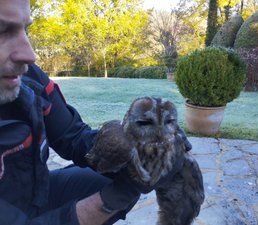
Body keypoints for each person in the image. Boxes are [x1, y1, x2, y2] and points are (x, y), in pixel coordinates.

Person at [0, 0, 186, 224]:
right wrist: (111, 201)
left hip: (34, 193)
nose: (29, 55)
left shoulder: (30, 80)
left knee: (103, 180)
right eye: (2, 31)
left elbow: (73, 135)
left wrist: (131, 149)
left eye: (25, 29)